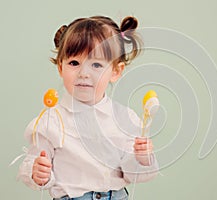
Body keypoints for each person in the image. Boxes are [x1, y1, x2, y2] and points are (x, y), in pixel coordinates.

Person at [18, 15, 158, 200]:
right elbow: (33, 163)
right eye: (74, 63)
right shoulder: (51, 121)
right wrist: (37, 173)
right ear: (61, 68)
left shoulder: (125, 118)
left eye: (97, 65)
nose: (84, 73)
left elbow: (133, 175)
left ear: (116, 71)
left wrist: (142, 158)